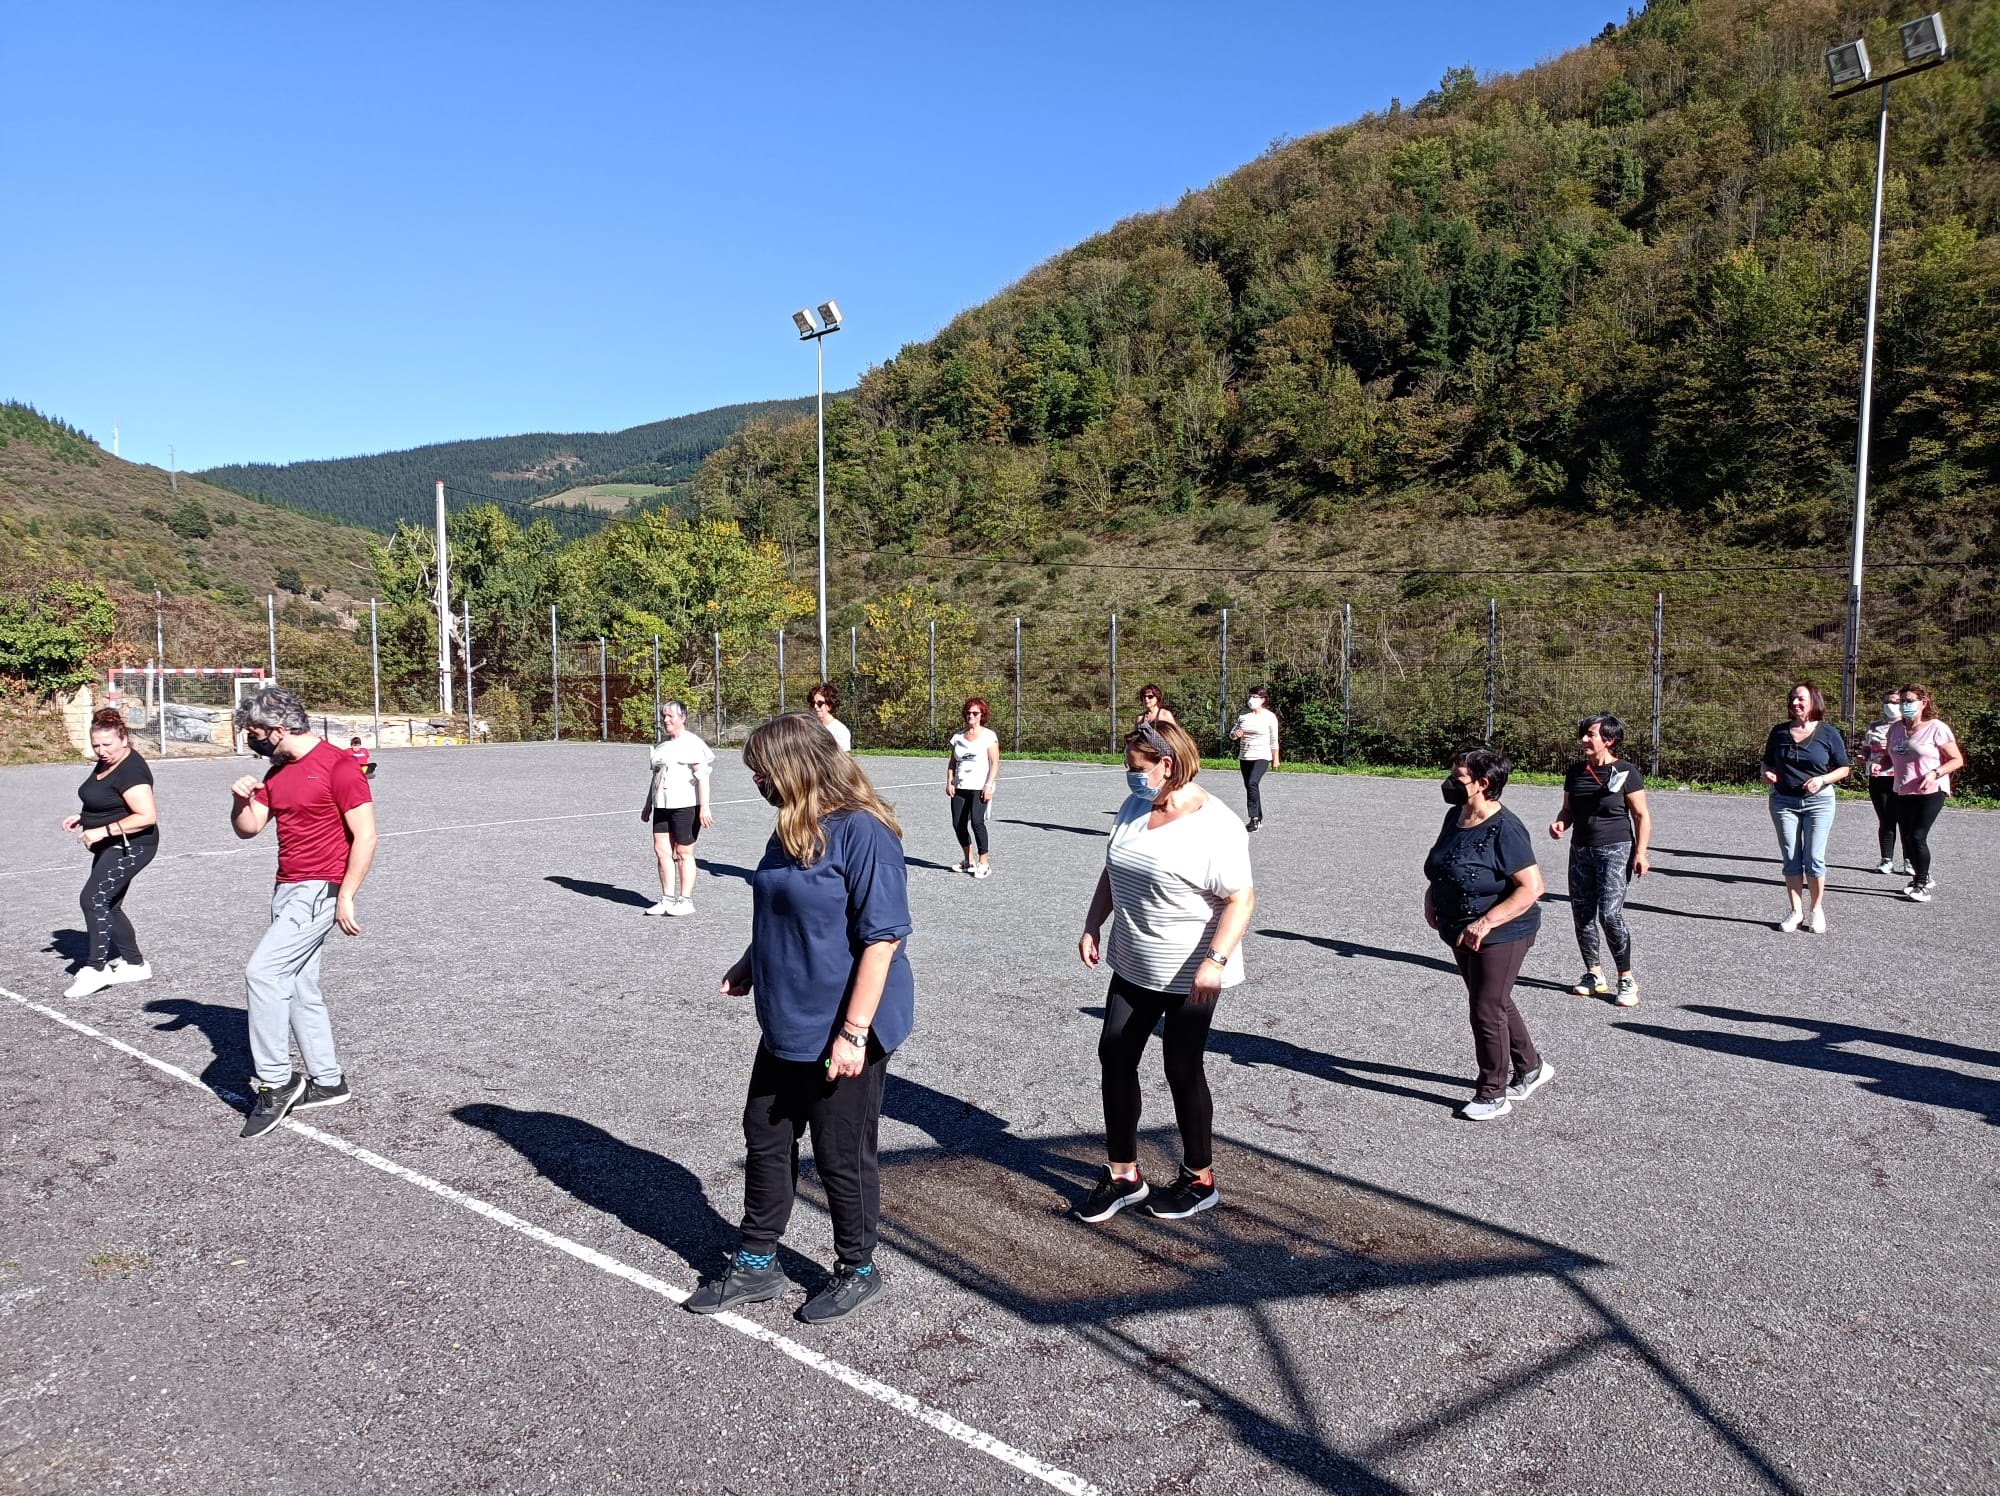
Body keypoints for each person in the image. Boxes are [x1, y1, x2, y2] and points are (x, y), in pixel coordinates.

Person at [688, 713, 913, 1324]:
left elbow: (883, 940)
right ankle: (759, 1262)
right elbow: (782, 907)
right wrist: (751, 962)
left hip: (844, 1020)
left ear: (795, 768)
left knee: (841, 1150)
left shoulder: (863, 833)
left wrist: (853, 1034)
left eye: (763, 770)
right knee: (764, 1131)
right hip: (787, 1015)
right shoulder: (790, 827)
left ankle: (858, 1267)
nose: (757, 781)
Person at [1076, 720, 1253, 1222]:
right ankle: (1123, 1175)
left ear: (1167, 765)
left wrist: (1215, 961)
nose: (1129, 777)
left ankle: (1200, 1178)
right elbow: (1114, 868)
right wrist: (1093, 923)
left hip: (1190, 969)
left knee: (1181, 1067)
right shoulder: (1134, 808)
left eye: (1136, 768)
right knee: (1114, 1055)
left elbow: (1241, 898)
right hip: (1133, 959)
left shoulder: (1216, 824)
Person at [229, 686, 377, 1141]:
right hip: (286, 889)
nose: (249, 740)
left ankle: (276, 1082)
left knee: (263, 972)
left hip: (320, 890)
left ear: (277, 728)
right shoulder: (278, 771)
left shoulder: (339, 766)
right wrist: (240, 799)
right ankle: (328, 1080)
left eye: (253, 732)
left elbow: (366, 835)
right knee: (297, 984)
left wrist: (345, 895)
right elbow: (249, 829)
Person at [1425, 748, 1551, 1122]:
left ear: (1483, 784)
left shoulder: (1505, 829)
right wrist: (1432, 895)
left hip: (1502, 931)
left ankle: (1493, 1092)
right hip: (1459, 928)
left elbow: (1532, 887)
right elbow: (1445, 862)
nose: (1449, 783)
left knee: (1485, 1008)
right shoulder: (1456, 815)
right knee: (1493, 1000)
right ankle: (1531, 1068)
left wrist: (1486, 922)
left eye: (1458, 778)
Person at [1548, 714, 1651, 1008]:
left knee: (1609, 914)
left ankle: (1626, 977)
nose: (1583, 740)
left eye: (1590, 735)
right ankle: (1594, 973)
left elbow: (1641, 816)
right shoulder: (1576, 772)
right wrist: (1560, 824)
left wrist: (1641, 852)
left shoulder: (1627, 771)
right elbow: (1567, 810)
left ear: (1609, 740)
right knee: (1582, 914)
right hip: (1580, 849)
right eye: (1583, 734)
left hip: (1616, 848)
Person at [59, 707, 160, 998]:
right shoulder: (108, 762)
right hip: (112, 841)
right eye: (96, 745)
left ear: (124, 739)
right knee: (109, 904)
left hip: (134, 844)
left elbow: (146, 816)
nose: (101, 751)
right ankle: (134, 964)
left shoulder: (133, 770)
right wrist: (84, 816)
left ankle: (97, 969)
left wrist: (101, 830)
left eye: (107, 745)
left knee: (92, 899)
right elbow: (104, 797)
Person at [1760, 683, 1850, 934]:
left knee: (1814, 858)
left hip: (1819, 802)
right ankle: (1795, 911)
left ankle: (1816, 909)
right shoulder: (1778, 732)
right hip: (1782, 801)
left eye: (1801, 698)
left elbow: (1844, 768)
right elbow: (1766, 763)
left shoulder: (1829, 733)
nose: (1795, 702)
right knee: (1791, 857)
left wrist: (1822, 779)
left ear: (1814, 701)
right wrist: (1766, 772)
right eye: (1792, 698)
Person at [1888, 683, 1966, 904]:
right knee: (1906, 838)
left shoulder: (1936, 727)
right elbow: (1891, 756)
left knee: (1917, 836)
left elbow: (1957, 759)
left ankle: (1921, 885)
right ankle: (1922, 875)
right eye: (1902, 701)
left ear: (1923, 703)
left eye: (1909, 701)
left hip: (1931, 789)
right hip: (1903, 789)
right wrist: (1870, 760)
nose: (1904, 705)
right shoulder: (1895, 728)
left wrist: (1935, 772)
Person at [642, 700, 714, 917]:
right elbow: (656, 777)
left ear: (682, 718)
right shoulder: (663, 746)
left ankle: (686, 900)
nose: (666, 720)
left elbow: (703, 776)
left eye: (670, 716)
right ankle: (666, 899)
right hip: (661, 806)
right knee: (661, 851)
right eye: (664, 716)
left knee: (683, 852)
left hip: (685, 806)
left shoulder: (692, 744)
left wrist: (704, 807)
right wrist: (648, 805)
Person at [945, 698, 1000, 878]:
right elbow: (953, 762)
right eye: (968, 712)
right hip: (961, 786)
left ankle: (984, 862)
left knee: (977, 821)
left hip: (979, 787)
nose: (971, 716)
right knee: (958, 823)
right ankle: (968, 860)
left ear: (982, 715)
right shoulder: (958, 737)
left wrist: (988, 785)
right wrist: (950, 781)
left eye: (975, 713)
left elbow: (995, 762)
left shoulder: (988, 736)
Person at [1861, 691, 1905, 876]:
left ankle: (1909, 860)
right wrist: (1863, 756)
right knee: (1886, 819)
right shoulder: (1874, 725)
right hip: (1878, 777)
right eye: (1887, 702)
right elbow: (1866, 747)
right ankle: (1886, 859)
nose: (1890, 705)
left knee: (1905, 820)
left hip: (1902, 777)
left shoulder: (1908, 726)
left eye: (1895, 702)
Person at [1230, 685, 1281, 831]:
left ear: (1263, 699)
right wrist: (1235, 735)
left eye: (1255, 697)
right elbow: (1233, 732)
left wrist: (1275, 759)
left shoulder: (1269, 717)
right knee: (1250, 786)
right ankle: (1258, 815)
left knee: (1253, 783)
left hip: (1262, 756)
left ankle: (1254, 819)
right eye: (1250, 696)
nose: (1251, 699)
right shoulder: (1243, 715)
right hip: (1245, 755)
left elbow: (1274, 739)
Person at [810, 682, 852, 752]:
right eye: (813, 703)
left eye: (819, 703)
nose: (815, 706)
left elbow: (844, 760)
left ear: (830, 705)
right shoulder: (810, 727)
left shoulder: (840, 731)